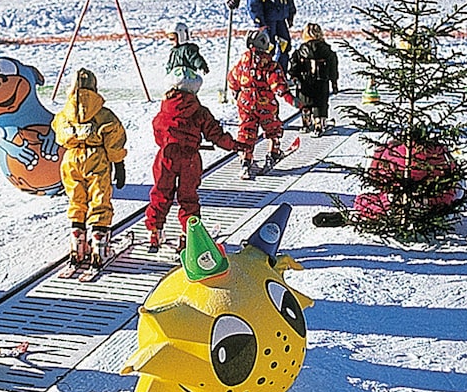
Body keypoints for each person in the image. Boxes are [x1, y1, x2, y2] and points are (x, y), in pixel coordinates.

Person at [145, 67, 239, 252]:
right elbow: (215, 133)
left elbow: (157, 131)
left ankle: (154, 230)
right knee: (188, 197)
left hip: (166, 156)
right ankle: (189, 234)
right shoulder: (200, 111)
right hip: (190, 159)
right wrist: (234, 145)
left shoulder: (165, 110)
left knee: (161, 193)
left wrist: (167, 141)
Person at [51, 68, 128, 268]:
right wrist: (118, 163)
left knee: (77, 198)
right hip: (96, 156)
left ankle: (77, 242)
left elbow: (58, 134)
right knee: (99, 197)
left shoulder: (64, 114)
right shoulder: (103, 114)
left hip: (71, 158)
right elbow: (114, 137)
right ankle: (99, 245)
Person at [227, 30, 298, 180]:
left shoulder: (242, 62)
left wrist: (235, 91)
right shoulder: (270, 65)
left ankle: (246, 160)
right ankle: (273, 152)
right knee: (272, 127)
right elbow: (278, 85)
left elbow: (232, 77)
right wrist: (292, 99)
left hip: (245, 103)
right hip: (265, 104)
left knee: (246, 130)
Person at [290, 22, 339, 136]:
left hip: (304, 83)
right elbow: (333, 68)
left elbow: (294, 66)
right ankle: (319, 123)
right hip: (321, 82)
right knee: (320, 104)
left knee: (305, 104)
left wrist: (295, 77)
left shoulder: (300, 51)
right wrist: (334, 82)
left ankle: (306, 123)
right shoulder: (327, 51)